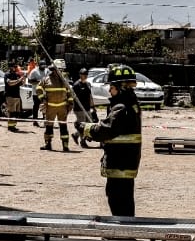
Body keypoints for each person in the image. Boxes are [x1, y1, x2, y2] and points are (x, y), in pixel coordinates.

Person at [82, 64, 142, 216]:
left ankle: (123, 233)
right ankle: (125, 231)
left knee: (117, 199)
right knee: (125, 199)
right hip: (126, 160)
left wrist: (86, 128)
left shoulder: (121, 108)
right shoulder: (131, 104)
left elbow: (106, 130)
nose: (109, 90)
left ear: (121, 87)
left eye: (112, 87)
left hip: (120, 161)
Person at [38, 60, 72, 152]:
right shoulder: (47, 79)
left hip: (62, 107)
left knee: (63, 127)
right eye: (59, 69)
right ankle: (48, 144)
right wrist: (43, 99)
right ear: (54, 69)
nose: (60, 71)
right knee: (49, 126)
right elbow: (39, 88)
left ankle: (65, 145)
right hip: (50, 107)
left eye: (61, 70)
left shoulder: (64, 80)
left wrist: (70, 103)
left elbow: (69, 92)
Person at [71, 67, 95, 146]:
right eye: (83, 74)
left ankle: (76, 135)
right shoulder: (76, 85)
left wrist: (93, 107)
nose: (85, 76)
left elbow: (90, 96)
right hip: (79, 109)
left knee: (89, 124)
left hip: (87, 107)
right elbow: (73, 97)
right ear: (80, 75)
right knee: (83, 125)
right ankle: (83, 141)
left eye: (86, 75)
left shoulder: (88, 84)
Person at [3, 62, 25, 132]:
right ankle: (10, 127)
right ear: (10, 67)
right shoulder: (7, 75)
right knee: (11, 112)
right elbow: (10, 83)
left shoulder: (16, 74)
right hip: (10, 96)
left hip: (17, 95)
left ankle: (14, 125)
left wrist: (23, 79)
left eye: (15, 67)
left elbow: (21, 84)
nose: (15, 68)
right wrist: (19, 80)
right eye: (13, 67)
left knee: (17, 112)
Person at [27, 58, 46, 125]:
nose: (43, 67)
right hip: (36, 93)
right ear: (39, 65)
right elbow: (29, 81)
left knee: (45, 106)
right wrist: (39, 82)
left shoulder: (46, 71)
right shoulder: (34, 71)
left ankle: (45, 120)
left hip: (45, 92)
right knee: (36, 107)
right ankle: (35, 121)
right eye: (42, 66)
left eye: (44, 65)